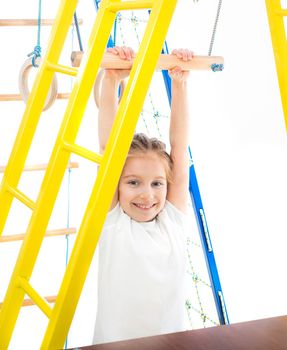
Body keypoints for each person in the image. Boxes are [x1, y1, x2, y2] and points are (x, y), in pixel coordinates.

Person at [93, 46, 193, 344]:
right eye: (133, 182)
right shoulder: (113, 223)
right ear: (118, 185)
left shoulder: (171, 221)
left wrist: (180, 83)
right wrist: (111, 79)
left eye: (157, 184)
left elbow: (179, 146)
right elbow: (106, 147)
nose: (147, 195)